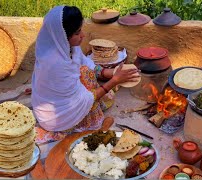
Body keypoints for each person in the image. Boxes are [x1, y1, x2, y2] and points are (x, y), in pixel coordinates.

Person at [31, 5, 138, 143]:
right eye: (77, 33)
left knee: (85, 71)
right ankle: (81, 122)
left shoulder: (64, 47)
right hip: (57, 119)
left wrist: (111, 72)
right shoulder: (55, 64)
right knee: (89, 80)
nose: (82, 36)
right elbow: (85, 99)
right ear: (62, 36)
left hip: (61, 101)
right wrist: (114, 81)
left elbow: (86, 63)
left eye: (80, 30)